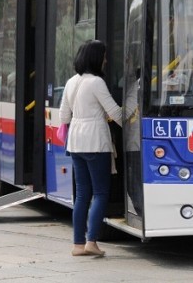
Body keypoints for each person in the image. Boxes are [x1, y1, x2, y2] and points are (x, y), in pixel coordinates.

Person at [59, 40, 123, 257]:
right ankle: (91, 242)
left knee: (82, 195)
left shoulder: (71, 82)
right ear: (96, 58)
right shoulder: (96, 83)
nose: (106, 60)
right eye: (104, 56)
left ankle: (78, 244)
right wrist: (133, 124)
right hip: (96, 141)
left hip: (75, 142)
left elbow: (64, 117)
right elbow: (115, 112)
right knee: (101, 193)